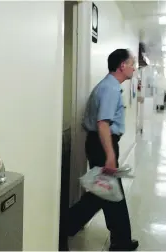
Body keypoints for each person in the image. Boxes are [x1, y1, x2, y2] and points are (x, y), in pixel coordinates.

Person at [62, 49, 139, 251]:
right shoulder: (110, 88)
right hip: (103, 143)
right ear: (122, 65)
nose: (134, 68)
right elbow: (103, 123)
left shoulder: (109, 86)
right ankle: (120, 241)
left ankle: (67, 225)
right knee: (112, 193)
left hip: (101, 142)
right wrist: (110, 155)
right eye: (132, 63)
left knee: (103, 192)